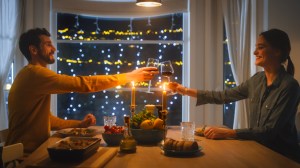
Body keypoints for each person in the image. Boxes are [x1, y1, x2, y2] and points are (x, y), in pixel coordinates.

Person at [6, 28, 158, 154]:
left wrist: (80, 124)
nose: (54, 49)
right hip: (23, 156)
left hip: (34, 150)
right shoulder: (35, 74)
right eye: (47, 44)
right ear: (33, 50)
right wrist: (129, 76)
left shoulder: (32, 75)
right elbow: (82, 84)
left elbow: (47, 120)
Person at [168, 29, 300, 162]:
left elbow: (269, 132)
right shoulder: (257, 80)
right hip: (259, 151)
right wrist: (183, 90)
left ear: (277, 51)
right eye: (256, 48)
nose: (255, 52)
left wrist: (229, 132)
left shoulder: (289, 86)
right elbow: (223, 96)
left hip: (282, 157)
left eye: (261, 47)